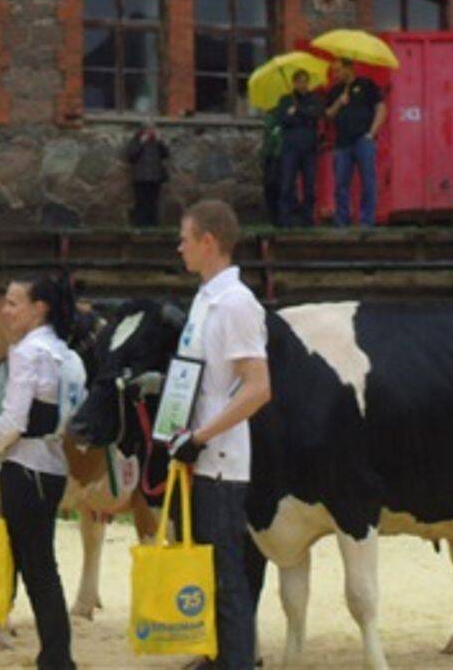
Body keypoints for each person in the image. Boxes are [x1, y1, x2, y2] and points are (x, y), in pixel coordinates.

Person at [161, 200, 271, 670]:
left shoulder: (236, 303)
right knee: (207, 571)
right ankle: (213, 658)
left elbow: (258, 387)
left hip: (221, 459)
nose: (179, 246)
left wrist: (201, 436)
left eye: (186, 238)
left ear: (209, 243)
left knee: (228, 577)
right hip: (197, 452)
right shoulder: (206, 299)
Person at [0, 276, 84, 670]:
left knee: (37, 565)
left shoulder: (27, 352)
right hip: (53, 464)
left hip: (23, 466)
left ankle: (57, 657)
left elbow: (13, 420)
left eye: (13, 303)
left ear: (39, 308)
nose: (5, 310)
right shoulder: (65, 353)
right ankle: (54, 653)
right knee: (38, 563)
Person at [324, 60, 385, 227]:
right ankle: (342, 219)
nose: (335, 75)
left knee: (368, 181)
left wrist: (371, 134)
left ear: (349, 69)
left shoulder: (367, 85)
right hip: (342, 142)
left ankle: (367, 221)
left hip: (363, 140)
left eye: (338, 70)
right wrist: (339, 102)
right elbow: (328, 115)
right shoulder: (335, 90)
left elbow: (381, 109)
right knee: (341, 183)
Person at [273, 71, 323, 227]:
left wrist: (298, 111)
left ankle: (307, 218)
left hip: (309, 148)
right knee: (287, 183)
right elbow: (282, 119)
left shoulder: (314, 99)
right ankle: (285, 218)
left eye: (305, 82)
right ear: (294, 83)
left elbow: (315, 114)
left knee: (309, 185)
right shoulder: (285, 100)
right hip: (290, 148)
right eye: (299, 82)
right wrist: (297, 116)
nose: (303, 85)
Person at [124, 124, 171, 228]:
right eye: (148, 129)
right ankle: (140, 225)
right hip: (141, 178)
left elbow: (166, 154)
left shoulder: (157, 142)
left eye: (152, 129)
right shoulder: (136, 140)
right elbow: (131, 155)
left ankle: (152, 224)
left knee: (153, 202)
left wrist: (160, 141)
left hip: (155, 178)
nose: (150, 131)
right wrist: (141, 142)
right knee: (141, 202)